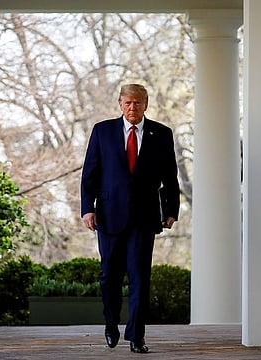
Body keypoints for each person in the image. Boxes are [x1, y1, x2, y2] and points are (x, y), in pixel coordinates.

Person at [80, 84, 180, 353]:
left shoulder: (161, 134)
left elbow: (170, 175)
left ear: (146, 104)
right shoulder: (103, 132)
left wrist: (171, 210)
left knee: (139, 277)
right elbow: (90, 173)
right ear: (120, 104)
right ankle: (111, 324)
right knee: (109, 277)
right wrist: (87, 208)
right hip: (109, 216)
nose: (132, 108)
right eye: (127, 103)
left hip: (144, 217)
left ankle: (137, 336)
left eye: (137, 103)